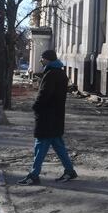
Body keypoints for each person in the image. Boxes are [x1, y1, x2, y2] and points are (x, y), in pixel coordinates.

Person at [17, 50, 78, 185]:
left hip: (47, 116)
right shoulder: (60, 73)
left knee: (40, 146)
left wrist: (36, 106)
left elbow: (44, 94)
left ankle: (33, 175)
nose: (41, 61)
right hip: (56, 116)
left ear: (48, 60)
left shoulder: (50, 74)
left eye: (42, 58)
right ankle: (69, 171)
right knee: (58, 145)